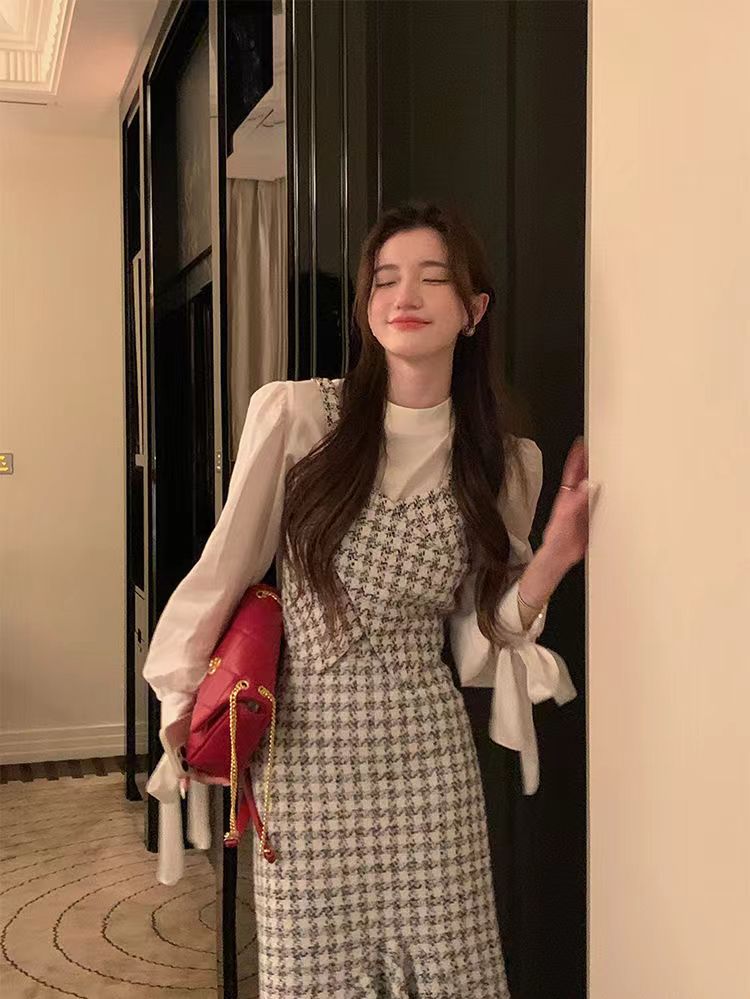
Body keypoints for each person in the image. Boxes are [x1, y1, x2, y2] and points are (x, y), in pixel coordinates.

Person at [142, 200, 597, 998]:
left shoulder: (504, 462)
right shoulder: (298, 417)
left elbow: (480, 641)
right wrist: (180, 695)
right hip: (304, 767)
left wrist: (555, 555)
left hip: (429, 772)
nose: (404, 296)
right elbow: (225, 568)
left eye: (432, 277)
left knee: (454, 980)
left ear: (473, 310)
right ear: (366, 304)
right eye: (385, 279)